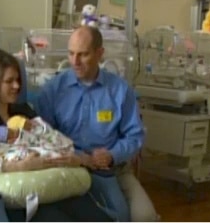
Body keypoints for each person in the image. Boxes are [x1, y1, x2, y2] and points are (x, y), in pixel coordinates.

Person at [0, 48, 114, 222]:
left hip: (51, 186)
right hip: (21, 200)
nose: (17, 86)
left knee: (98, 217)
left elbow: (49, 139)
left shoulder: (24, 111)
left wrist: (74, 158)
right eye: (9, 81)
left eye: (18, 80)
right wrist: (20, 166)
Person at [35, 26, 159, 222]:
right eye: (71, 53)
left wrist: (112, 155)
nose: (74, 62)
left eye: (83, 54)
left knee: (146, 217)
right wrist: (79, 157)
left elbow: (135, 135)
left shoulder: (119, 90)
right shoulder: (53, 91)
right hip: (70, 168)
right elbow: (42, 137)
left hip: (113, 169)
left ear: (100, 54)